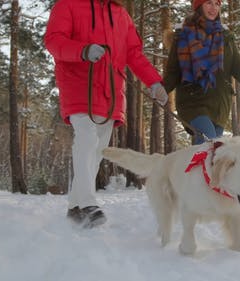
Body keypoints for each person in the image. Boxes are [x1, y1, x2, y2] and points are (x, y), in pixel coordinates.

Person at [44, 0, 168, 228]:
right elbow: (53, 41)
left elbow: (134, 54)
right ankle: (88, 203)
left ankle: (74, 206)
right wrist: (82, 50)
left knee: (98, 150)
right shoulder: (68, 5)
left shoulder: (121, 15)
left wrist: (154, 82)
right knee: (87, 138)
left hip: (110, 90)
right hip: (78, 83)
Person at [164, 0, 240, 144]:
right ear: (199, 6)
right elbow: (173, 70)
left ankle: (192, 166)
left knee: (211, 155)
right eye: (209, 3)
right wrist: (161, 88)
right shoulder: (184, 35)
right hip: (193, 101)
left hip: (219, 104)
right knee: (209, 144)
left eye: (217, 3)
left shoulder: (225, 36)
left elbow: (237, 64)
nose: (213, 8)